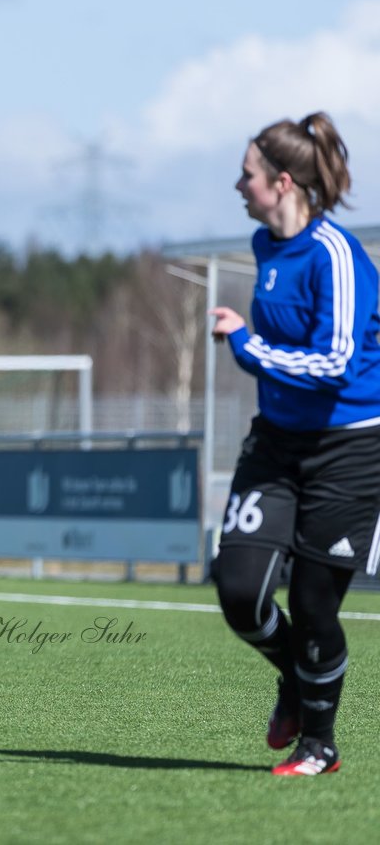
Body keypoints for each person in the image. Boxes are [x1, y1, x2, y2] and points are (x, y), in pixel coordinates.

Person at [209, 112, 380, 775]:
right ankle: (294, 681)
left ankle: (320, 741)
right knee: (239, 591)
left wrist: (247, 345)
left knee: (313, 606)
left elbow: (334, 363)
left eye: (246, 173)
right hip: (276, 442)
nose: (238, 185)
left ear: (281, 182)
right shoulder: (263, 244)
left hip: (350, 448)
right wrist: (246, 334)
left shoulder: (334, 254)